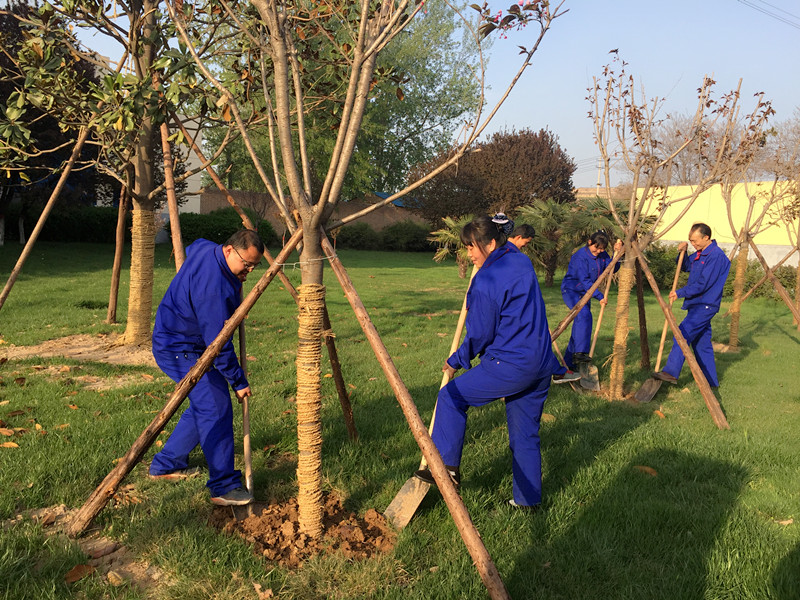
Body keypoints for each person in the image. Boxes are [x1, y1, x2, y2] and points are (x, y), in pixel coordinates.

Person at [414, 215, 559, 510]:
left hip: (512, 365)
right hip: (542, 363)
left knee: (451, 397)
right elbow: (509, 248)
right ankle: (527, 502)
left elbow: (480, 334)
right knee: (525, 434)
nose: (469, 254)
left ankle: (446, 468)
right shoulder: (520, 260)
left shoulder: (487, 280)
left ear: (491, 244)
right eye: (467, 247)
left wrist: (456, 360)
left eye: (472, 247)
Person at [148, 230, 264, 507]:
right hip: (179, 347)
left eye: (254, 266)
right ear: (229, 250)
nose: (249, 271)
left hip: (189, 340)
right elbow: (218, 343)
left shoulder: (207, 249)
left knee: (205, 403)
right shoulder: (214, 287)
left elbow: (194, 245)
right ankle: (223, 486)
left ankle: (166, 464)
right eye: (246, 264)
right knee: (215, 406)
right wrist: (238, 381)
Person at [653, 223, 730, 388]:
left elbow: (703, 283)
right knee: (702, 344)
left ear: (706, 237)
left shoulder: (715, 256)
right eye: (691, 241)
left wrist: (680, 292)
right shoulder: (701, 253)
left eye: (695, 241)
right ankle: (710, 382)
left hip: (705, 304)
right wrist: (683, 252)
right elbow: (686, 266)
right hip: (697, 303)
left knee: (682, 334)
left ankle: (671, 372)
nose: (693, 243)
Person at [560, 231, 622, 371]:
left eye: (602, 249)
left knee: (581, 323)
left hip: (586, 292)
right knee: (584, 315)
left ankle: (570, 363)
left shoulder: (602, 255)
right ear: (589, 242)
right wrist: (600, 297)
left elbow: (612, 268)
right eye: (596, 248)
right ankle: (580, 353)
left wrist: (616, 254)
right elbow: (585, 281)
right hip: (572, 290)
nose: (598, 251)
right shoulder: (580, 257)